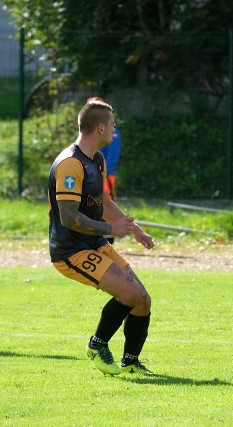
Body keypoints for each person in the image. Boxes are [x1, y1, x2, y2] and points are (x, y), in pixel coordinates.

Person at [48, 98, 155, 376]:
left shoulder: (97, 159)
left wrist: (132, 228)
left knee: (143, 299)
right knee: (130, 294)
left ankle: (130, 362)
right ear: (99, 128)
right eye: (112, 125)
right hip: (71, 250)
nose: (114, 130)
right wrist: (111, 230)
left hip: (94, 243)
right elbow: (69, 217)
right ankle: (97, 345)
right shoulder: (70, 164)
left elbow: (103, 201)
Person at [88, 97, 122, 243]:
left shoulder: (111, 130)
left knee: (106, 204)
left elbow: (113, 154)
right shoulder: (88, 130)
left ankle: (108, 238)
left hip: (105, 175)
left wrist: (105, 173)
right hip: (92, 174)